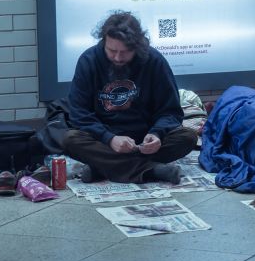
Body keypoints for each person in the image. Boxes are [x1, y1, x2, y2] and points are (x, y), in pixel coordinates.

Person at [62, 11, 196, 184]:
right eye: (112, 51)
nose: (118, 57)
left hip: (144, 138)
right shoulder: (88, 60)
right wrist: (109, 138)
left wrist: (156, 133)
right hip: (104, 138)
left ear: (137, 46)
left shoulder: (154, 60)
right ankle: (151, 171)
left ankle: (102, 167)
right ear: (103, 41)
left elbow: (170, 111)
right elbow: (79, 113)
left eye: (125, 52)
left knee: (188, 137)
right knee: (70, 140)